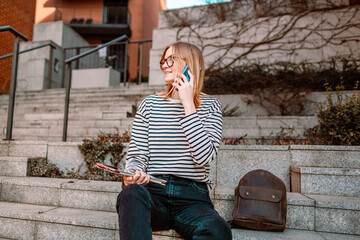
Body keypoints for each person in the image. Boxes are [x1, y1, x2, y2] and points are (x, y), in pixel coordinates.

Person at [116, 42, 232, 240]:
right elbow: (137, 154)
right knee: (130, 194)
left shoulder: (211, 106)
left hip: (192, 199)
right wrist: (132, 175)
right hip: (153, 193)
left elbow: (203, 157)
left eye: (171, 59)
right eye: (163, 60)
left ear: (190, 63)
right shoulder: (150, 105)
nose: (164, 65)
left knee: (218, 230)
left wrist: (188, 103)